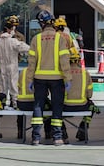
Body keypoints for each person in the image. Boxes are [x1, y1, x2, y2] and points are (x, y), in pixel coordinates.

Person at [26, 10, 72, 146]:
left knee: (38, 105)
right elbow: (64, 60)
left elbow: (31, 62)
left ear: (41, 24)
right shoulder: (60, 38)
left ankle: (35, 138)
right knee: (57, 107)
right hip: (57, 78)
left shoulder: (36, 39)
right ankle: (57, 137)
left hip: (39, 78)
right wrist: (67, 78)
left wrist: (29, 79)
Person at [0, 19, 29, 109]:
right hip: (12, 66)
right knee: (14, 86)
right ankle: (15, 104)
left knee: (2, 87)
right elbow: (26, 48)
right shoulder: (14, 41)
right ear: (10, 29)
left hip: (1, 66)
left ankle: (2, 103)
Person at [63, 52, 100, 142]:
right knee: (92, 108)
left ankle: (62, 133)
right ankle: (83, 129)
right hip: (82, 105)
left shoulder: (62, 73)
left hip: (65, 107)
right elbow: (89, 94)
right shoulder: (85, 73)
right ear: (79, 61)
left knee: (54, 111)